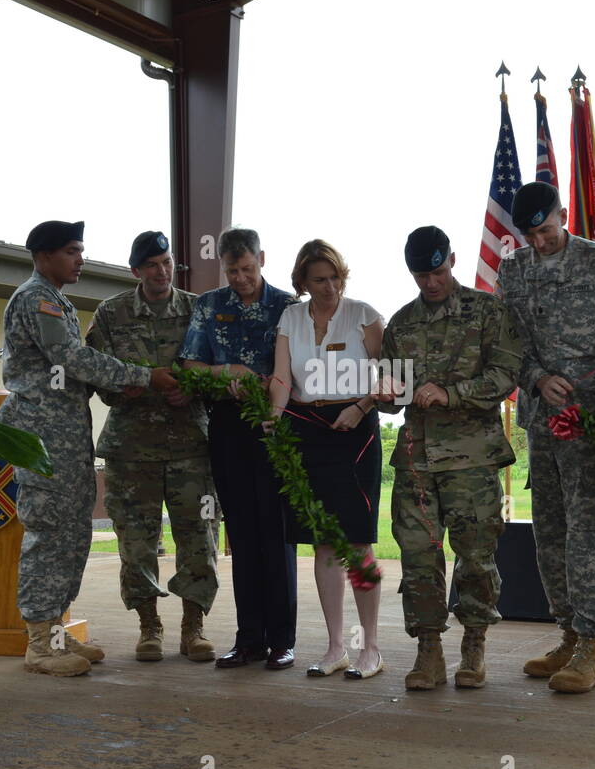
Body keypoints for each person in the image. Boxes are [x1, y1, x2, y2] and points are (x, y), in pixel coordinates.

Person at [0, 220, 173, 677]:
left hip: (66, 434)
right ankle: (38, 644)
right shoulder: (37, 299)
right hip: (43, 436)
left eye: (81, 251)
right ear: (44, 255)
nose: (80, 259)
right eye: (72, 251)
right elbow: (71, 358)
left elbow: (73, 370)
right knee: (49, 533)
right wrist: (141, 375)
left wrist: (117, 382)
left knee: (72, 532)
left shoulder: (56, 301)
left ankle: (56, 633)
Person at [495, 181, 595, 694]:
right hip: (542, 420)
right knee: (549, 535)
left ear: (563, 215)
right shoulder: (512, 270)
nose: (539, 241)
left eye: (547, 230)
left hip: (594, 428)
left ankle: (592, 645)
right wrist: (535, 377)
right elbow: (506, 342)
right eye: (531, 235)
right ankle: (565, 631)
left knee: (587, 536)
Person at [374, 226, 521, 690]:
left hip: (471, 459)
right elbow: (389, 390)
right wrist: (382, 393)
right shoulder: (400, 324)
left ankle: (474, 644)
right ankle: (429, 650)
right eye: (421, 276)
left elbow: (505, 375)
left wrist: (452, 393)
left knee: (476, 557)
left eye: (437, 272)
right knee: (418, 557)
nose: (431, 283)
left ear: (453, 260)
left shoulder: (487, 312)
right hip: (416, 460)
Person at [86, 230, 219, 663]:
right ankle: (149, 626)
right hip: (131, 449)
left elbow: (219, 366)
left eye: (166, 263)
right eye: (151, 266)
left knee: (199, 537)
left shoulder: (199, 309)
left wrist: (194, 389)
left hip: (190, 447)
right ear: (135, 271)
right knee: (136, 541)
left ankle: (193, 626)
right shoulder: (111, 313)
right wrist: (127, 387)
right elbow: (97, 372)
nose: (161, 272)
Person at [180, 227, 300, 671]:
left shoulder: (289, 307)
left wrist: (271, 384)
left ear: (262, 259)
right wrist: (226, 371)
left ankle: (282, 640)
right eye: (232, 271)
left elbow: (304, 368)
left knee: (277, 531)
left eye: (247, 269)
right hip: (228, 424)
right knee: (243, 535)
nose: (241, 278)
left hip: (275, 424)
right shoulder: (208, 305)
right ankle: (248, 638)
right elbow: (191, 365)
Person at [266, 239, 384, 678]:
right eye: (320, 279)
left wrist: (360, 408)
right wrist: (274, 417)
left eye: (335, 276)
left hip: (356, 427)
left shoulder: (363, 314)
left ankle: (370, 647)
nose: (330, 285)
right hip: (305, 428)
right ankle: (336, 647)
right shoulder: (291, 316)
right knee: (323, 541)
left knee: (357, 540)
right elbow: (281, 376)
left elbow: (390, 372)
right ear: (302, 282)